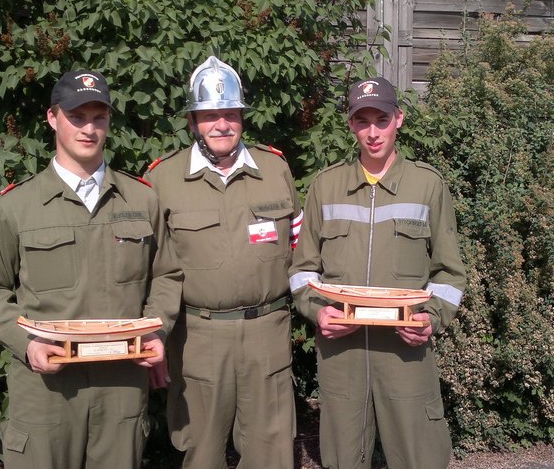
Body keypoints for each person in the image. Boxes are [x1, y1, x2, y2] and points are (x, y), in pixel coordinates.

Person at [0, 70, 183, 469]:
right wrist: (26, 344)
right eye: (76, 116)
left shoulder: (141, 199)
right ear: (53, 118)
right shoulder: (17, 206)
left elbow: (167, 276)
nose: (88, 128)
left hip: (121, 381)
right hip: (48, 387)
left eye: (98, 117)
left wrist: (156, 329)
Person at [288, 77, 467, 469]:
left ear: (398, 119)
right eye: (362, 120)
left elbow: (450, 274)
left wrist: (430, 320)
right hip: (342, 354)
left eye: (381, 119)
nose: (372, 132)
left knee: (420, 458)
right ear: (351, 125)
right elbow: (302, 271)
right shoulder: (325, 186)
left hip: (405, 352)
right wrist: (317, 311)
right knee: (343, 459)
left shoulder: (427, 186)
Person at [145, 56, 302, 469]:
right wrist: (153, 337)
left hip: (268, 334)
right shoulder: (162, 180)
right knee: (201, 450)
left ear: (242, 118)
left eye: (230, 113)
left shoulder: (274, 169)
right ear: (193, 121)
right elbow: (149, 270)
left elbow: (300, 250)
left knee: (273, 453)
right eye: (209, 115)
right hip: (197, 339)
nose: (222, 124)